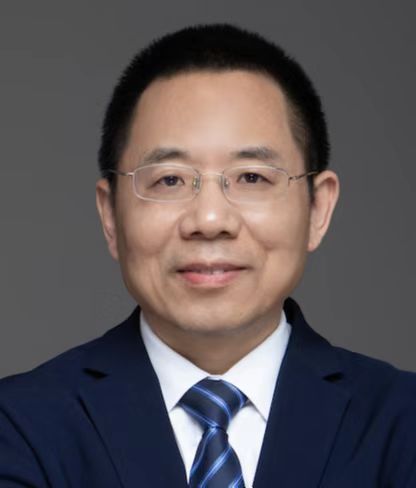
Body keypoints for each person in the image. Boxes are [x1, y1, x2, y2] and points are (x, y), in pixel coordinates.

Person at [0, 23, 415, 488]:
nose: (211, 219)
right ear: (110, 215)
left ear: (318, 208)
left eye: (252, 177)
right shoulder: (19, 426)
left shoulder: (403, 423)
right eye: (169, 180)